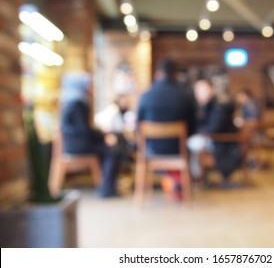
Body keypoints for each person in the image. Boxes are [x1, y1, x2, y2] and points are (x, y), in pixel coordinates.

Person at [136, 58, 197, 198]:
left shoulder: (146, 95)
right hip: (178, 149)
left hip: (152, 150)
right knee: (189, 150)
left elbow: (138, 126)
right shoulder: (185, 95)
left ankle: (172, 181)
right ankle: (180, 183)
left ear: (158, 74)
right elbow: (193, 127)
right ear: (176, 75)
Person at [60, 71, 122, 197]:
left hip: (72, 144)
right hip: (78, 145)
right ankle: (107, 188)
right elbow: (84, 130)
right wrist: (103, 135)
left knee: (108, 147)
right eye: (88, 85)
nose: (90, 88)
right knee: (113, 150)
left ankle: (106, 185)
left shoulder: (69, 101)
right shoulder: (78, 103)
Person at [188, 79, 242, 185]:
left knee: (190, 143)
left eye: (203, 90)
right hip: (216, 140)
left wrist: (199, 131)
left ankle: (196, 176)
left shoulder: (219, 105)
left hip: (222, 143)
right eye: (197, 91)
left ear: (212, 89)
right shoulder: (210, 105)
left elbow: (214, 128)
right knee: (191, 142)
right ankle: (195, 175)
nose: (200, 94)